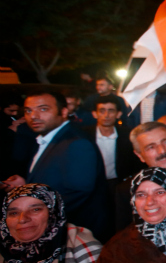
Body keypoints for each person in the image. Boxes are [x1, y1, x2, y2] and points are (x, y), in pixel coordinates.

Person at [2, 91, 109, 240]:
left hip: (74, 234)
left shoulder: (76, 143)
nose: (33, 115)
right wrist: (26, 184)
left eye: (43, 109)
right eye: (28, 110)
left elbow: (77, 192)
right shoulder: (46, 138)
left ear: (63, 112)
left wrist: (33, 215)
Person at [83, 96, 145, 184]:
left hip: (118, 183)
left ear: (118, 114)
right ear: (94, 114)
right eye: (102, 111)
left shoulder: (128, 136)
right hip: (91, 183)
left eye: (111, 110)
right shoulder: (85, 135)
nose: (106, 115)